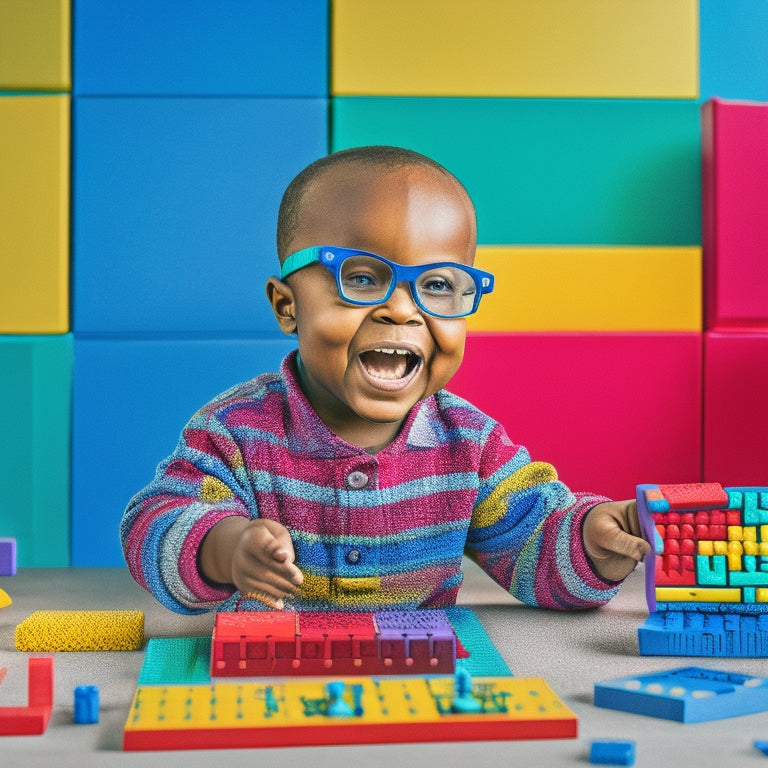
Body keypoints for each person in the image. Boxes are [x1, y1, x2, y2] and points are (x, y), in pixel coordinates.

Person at [121, 145, 650, 615]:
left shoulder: (469, 444)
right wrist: (226, 547)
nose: (402, 311)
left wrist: (592, 542)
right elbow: (154, 522)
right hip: (270, 682)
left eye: (439, 284)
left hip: (419, 683)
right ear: (288, 306)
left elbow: (537, 546)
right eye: (361, 279)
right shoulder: (235, 432)